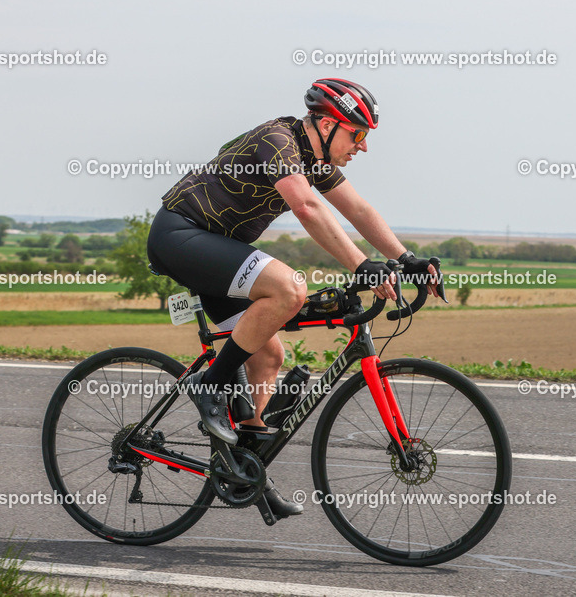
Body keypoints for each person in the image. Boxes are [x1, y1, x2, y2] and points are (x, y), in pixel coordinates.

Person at [147, 78, 440, 517]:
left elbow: (357, 210)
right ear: (325, 123)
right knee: (288, 288)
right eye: (356, 133)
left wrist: (407, 258)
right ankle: (208, 384)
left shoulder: (313, 158)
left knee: (267, 359)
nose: (362, 146)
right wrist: (361, 265)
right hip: (181, 237)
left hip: (217, 254)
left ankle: (244, 469)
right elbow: (305, 207)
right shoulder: (277, 140)